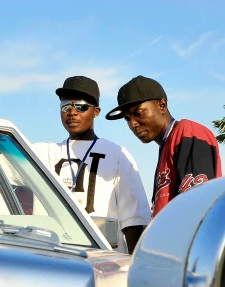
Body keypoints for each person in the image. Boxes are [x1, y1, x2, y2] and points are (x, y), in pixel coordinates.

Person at [33, 75, 151, 254]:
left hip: (105, 263)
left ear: (96, 111)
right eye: (65, 106)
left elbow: (134, 221)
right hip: (54, 260)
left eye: (80, 106)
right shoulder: (43, 152)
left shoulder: (117, 154)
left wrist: (136, 268)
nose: (72, 112)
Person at [104, 75, 222, 217]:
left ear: (162, 106)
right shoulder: (167, 144)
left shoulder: (188, 133)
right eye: (127, 118)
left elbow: (196, 208)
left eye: (138, 113)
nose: (132, 124)